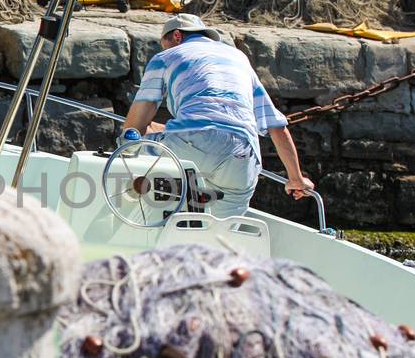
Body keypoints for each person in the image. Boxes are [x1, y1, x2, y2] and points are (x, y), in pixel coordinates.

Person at [119, 12, 314, 219]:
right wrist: (296, 178)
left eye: (164, 43)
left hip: (189, 143)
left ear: (177, 36)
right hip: (242, 155)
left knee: (133, 148)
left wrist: (126, 148)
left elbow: (137, 121)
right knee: (223, 233)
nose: (163, 49)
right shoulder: (239, 59)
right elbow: (276, 127)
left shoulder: (165, 58)